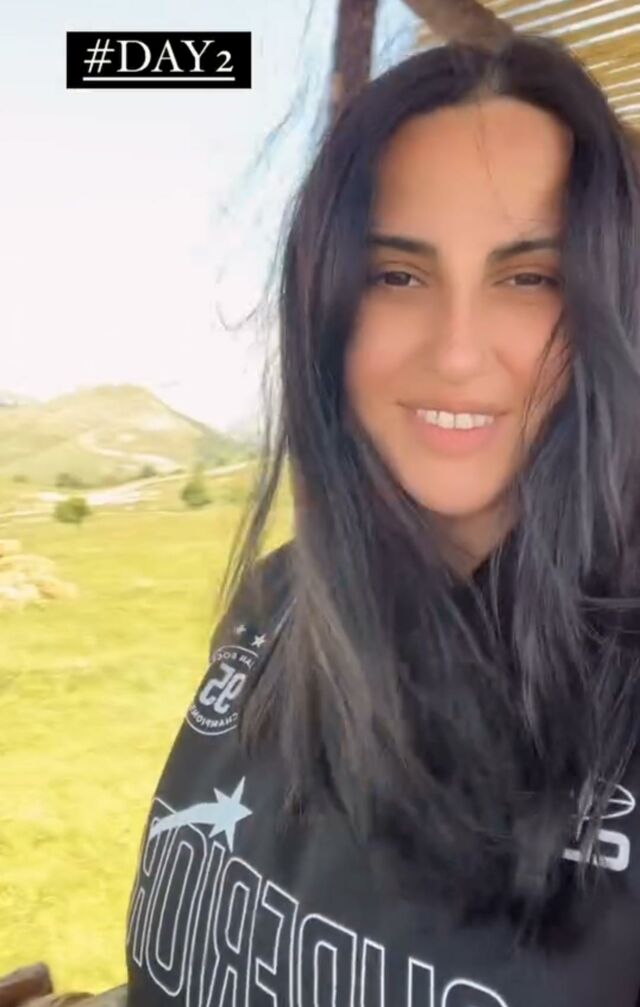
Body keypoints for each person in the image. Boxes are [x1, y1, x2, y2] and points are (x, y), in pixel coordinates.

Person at [124, 32, 640, 1007]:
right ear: (327, 307)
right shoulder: (281, 597)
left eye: (529, 277)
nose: (456, 352)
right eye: (397, 275)